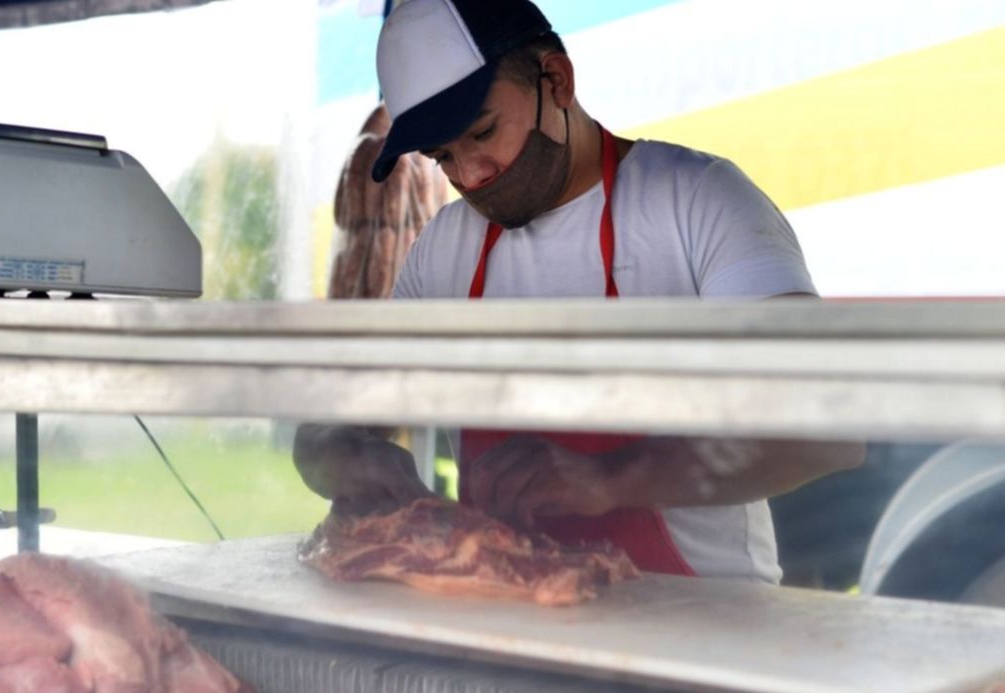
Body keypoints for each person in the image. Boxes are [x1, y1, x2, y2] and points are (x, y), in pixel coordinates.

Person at [294, 0, 864, 584]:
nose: (468, 175)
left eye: (483, 132)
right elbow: (322, 430)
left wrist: (608, 479)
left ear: (557, 81)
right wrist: (344, 456)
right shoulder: (444, 248)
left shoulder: (697, 200)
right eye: (442, 157)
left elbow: (826, 429)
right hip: (520, 614)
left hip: (699, 627)